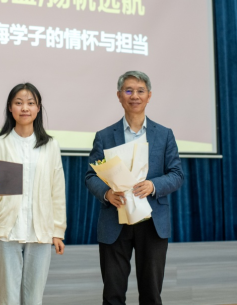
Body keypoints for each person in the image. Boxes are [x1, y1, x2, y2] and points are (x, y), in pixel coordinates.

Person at [85, 71, 184, 305]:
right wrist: (107, 193)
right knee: (113, 294)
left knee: (151, 295)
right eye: (128, 90)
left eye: (140, 91)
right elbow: (91, 176)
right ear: (119, 96)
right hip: (115, 219)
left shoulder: (164, 135)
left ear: (149, 96)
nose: (134, 96)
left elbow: (177, 174)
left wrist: (153, 185)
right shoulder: (104, 136)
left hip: (152, 221)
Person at [0, 82, 67, 305]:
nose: (25, 108)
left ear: (38, 108)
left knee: (34, 298)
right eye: (19, 103)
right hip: (5, 229)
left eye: (30, 103)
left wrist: (58, 230)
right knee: (8, 298)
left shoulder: (51, 145)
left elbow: (57, 190)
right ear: (10, 108)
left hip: (41, 229)